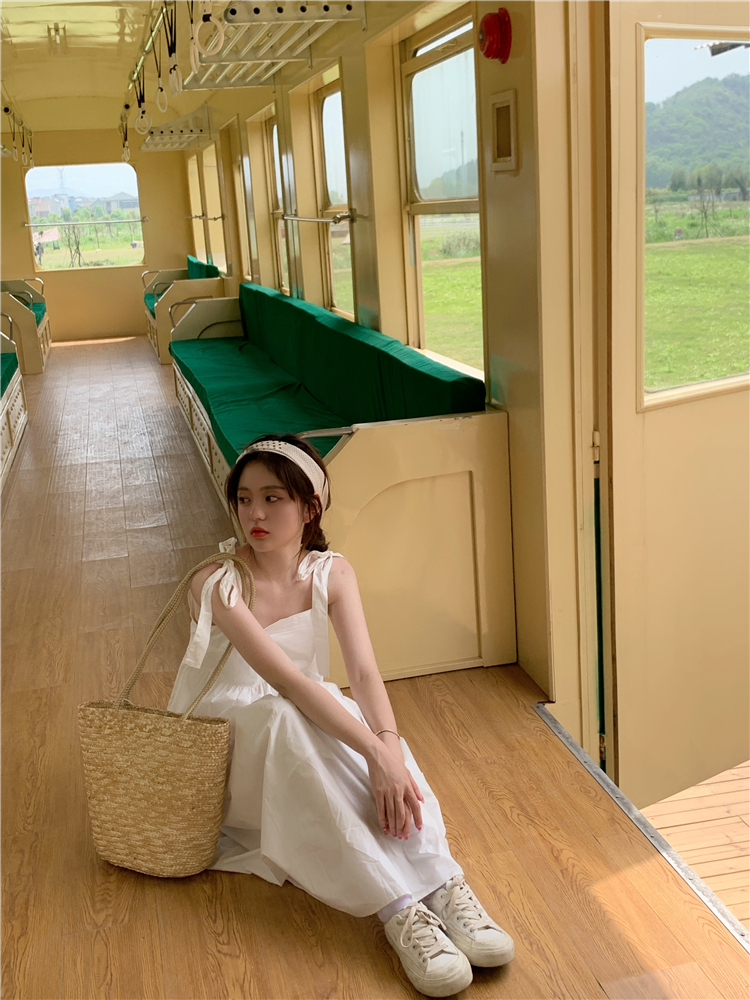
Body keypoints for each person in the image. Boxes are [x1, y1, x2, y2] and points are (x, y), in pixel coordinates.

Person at [167, 433, 515, 997]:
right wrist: (373, 751)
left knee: (351, 717)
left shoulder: (332, 572)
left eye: (273, 498)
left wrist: (389, 751)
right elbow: (286, 680)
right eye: (245, 499)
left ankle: (443, 883)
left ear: (310, 508)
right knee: (289, 715)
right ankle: (399, 909)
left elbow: (367, 674)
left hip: (301, 719)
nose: (255, 514)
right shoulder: (217, 581)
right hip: (228, 743)